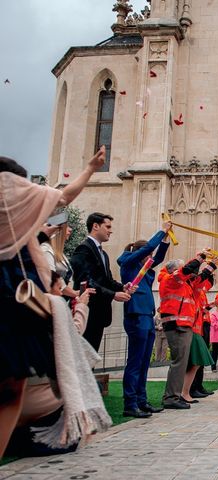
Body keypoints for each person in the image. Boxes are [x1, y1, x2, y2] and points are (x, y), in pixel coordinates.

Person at [0, 146, 105, 457]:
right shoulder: (13, 208)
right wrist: (90, 169)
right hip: (13, 299)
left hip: (15, 296)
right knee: (10, 387)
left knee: (10, 385)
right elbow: (63, 199)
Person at [6, 273, 97, 457]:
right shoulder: (49, 313)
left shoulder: (12, 313)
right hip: (39, 403)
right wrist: (81, 306)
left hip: (9, 404)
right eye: (59, 288)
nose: (61, 293)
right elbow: (74, 334)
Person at [117, 223, 171, 418]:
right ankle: (130, 403)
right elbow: (149, 249)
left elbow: (158, 257)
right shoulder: (128, 264)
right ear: (140, 253)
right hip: (135, 315)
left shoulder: (144, 269)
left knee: (144, 362)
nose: (150, 259)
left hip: (147, 316)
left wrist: (165, 242)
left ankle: (141, 400)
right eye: (146, 256)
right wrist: (161, 231)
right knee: (135, 362)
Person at [70, 212, 133, 352]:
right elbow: (86, 281)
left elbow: (107, 280)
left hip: (99, 312)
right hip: (88, 309)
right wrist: (113, 295)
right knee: (84, 355)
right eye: (108, 226)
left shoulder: (103, 254)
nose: (111, 231)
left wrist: (122, 287)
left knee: (91, 355)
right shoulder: (84, 249)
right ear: (95, 226)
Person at [157, 253, 206, 409]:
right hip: (176, 324)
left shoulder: (183, 284)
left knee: (182, 361)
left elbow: (197, 276)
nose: (186, 270)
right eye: (181, 267)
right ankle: (171, 397)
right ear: (174, 270)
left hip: (183, 325)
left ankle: (175, 395)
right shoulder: (171, 280)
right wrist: (200, 257)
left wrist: (211, 265)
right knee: (179, 362)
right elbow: (186, 271)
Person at [181, 259, 217, 403]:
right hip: (190, 326)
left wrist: (212, 268)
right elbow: (201, 277)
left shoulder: (199, 289)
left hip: (199, 326)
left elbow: (208, 280)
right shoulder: (188, 286)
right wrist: (205, 263)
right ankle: (187, 391)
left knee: (198, 361)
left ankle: (195, 387)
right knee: (193, 360)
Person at [40, 212, 78, 299]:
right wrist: (74, 294)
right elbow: (52, 280)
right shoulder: (46, 250)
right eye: (66, 226)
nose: (70, 229)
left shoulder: (58, 252)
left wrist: (74, 293)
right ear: (57, 230)